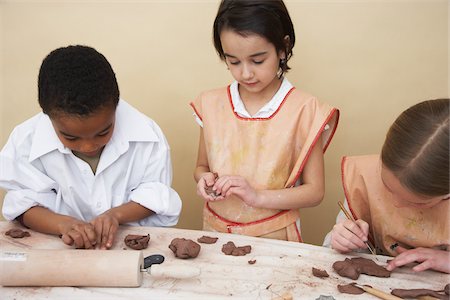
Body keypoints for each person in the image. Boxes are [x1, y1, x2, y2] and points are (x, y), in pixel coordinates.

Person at [0, 45, 182, 249]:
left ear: (116, 107)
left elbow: (156, 194)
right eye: (70, 137)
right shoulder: (25, 142)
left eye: (103, 132)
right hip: (55, 251)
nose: (88, 146)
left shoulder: (148, 136)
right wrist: (63, 224)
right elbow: (22, 204)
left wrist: (116, 215)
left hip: (127, 251)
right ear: (47, 115)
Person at [190, 0, 339, 242]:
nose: (246, 73)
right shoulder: (211, 103)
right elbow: (201, 167)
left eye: (257, 60)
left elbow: (315, 192)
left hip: (276, 237)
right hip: (216, 233)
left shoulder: (305, 109)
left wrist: (257, 197)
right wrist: (204, 179)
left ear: (283, 47)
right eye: (233, 61)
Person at [324, 99, 449, 273]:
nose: (396, 203)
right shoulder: (367, 178)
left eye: (418, 203)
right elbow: (335, 249)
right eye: (387, 187)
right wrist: (341, 240)